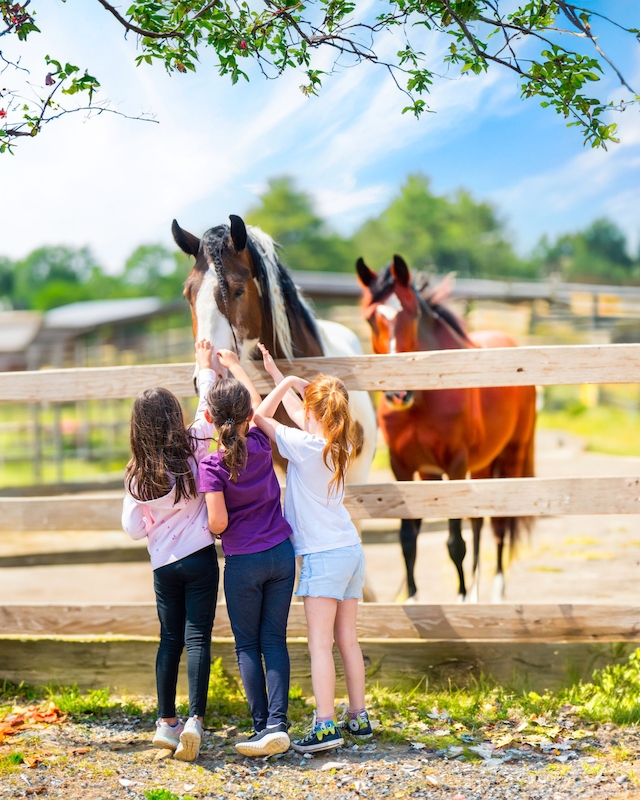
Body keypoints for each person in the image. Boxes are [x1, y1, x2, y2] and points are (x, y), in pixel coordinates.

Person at [247, 344, 374, 754]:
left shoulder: (303, 447)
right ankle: (358, 717)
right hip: (351, 552)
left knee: (319, 643)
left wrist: (284, 381)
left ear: (314, 414)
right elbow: (307, 415)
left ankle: (325, 725)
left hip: (323, 556)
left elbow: (259, 417)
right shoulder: (341, 444)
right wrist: (275, 372)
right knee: (347, 640)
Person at [121, 339, 219, 762]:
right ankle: (196, 719)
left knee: (169, 640)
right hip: (200, 558)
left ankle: (166, 722)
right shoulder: (195, 445)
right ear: (174, 418)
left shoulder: (136, 474)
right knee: (199, 639)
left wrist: (151, 523)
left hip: (164, 566)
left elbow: (130, 528)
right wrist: (205, 366)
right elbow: (208, 407)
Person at [198, 350, 296, 758]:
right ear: (246, 418)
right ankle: (278, 723)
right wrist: (237, 365)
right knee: (274, 639)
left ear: (208, 420)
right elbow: (260, 406)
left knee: (246, 645)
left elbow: (217, 524)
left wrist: (209, 521)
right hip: (281, 555)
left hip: (243, 563)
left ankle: (261, 728)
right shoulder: (259, 439)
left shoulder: (211, 465)